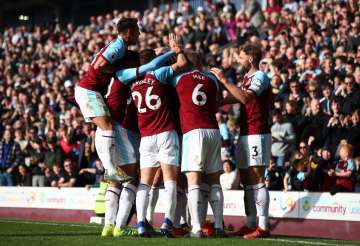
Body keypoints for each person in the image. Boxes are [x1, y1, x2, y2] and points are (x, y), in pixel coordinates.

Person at [211, 42, 271, 238]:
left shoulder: (260, 76)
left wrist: (224, 80)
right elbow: (235, 97)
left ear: (251, 58)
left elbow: (245, 98)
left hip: (257, 132)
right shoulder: (246, 77)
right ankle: (250, 222)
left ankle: (263, 226)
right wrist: (217, 101)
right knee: (246, 179)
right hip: (245, 132)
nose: (238, 60)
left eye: (241, 56)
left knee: (257, 178)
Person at [132, 35, 187, 237]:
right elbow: (182, 63)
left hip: (146, 137)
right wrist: (176, 49)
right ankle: (167, 223)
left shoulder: (133, 83)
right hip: (165, 132)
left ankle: (140, 223)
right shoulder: (159, 75)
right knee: (170, 180)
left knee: (145, 182)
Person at [75, 18, 140, 182]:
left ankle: (109, 168)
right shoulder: (118, 47)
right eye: (137, 31)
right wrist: (118, 70)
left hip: (91, 90)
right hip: (89, 90)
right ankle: (110, 169)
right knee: (108, 127)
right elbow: (99, 66)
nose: (139, 34)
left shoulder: (121, 47)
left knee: (103, 128)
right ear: (129, 32)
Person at [171, 51, 225, 238]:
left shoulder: (179, 79)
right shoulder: (212, 79)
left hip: (193, 132)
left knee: (193, 180)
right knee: (214, 181)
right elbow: (218, 101)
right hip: (213, 130)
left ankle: (196, 228)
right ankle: (218, 226)